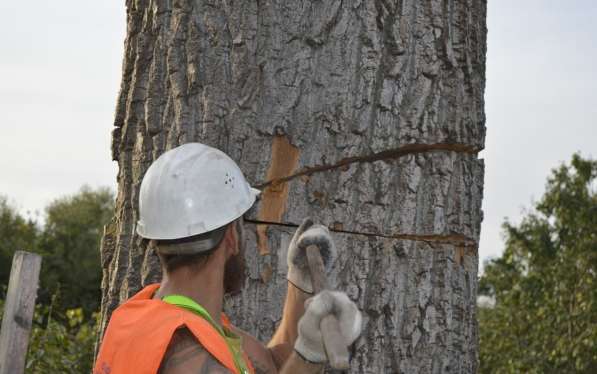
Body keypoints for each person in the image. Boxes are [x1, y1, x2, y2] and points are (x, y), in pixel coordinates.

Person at [94, 143, 362, 374]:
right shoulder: (186, 354)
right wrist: (310, 357)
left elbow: (271, 364)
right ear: (232, 237)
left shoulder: (152, 317)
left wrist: (299, 284)